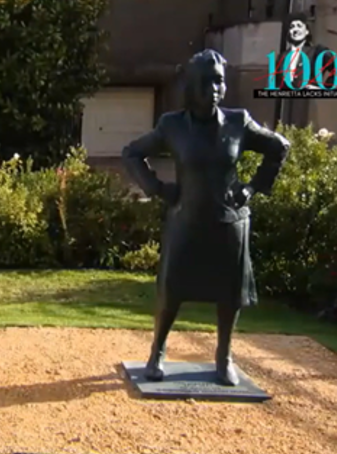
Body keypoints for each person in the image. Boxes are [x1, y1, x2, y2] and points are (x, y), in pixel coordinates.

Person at [121, 49, 290, 386]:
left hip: (229, 223)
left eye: (219, 81)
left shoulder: (238, 122)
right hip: (186, 219)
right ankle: (157, 352)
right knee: (172, 291)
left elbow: (279, 147)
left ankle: (224, 357)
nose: (214, 88)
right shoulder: (172, 125)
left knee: (228, 294)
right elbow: (132, 153)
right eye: (206, 82)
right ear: (191, 86)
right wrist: (157, 188)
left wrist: (253, 187)